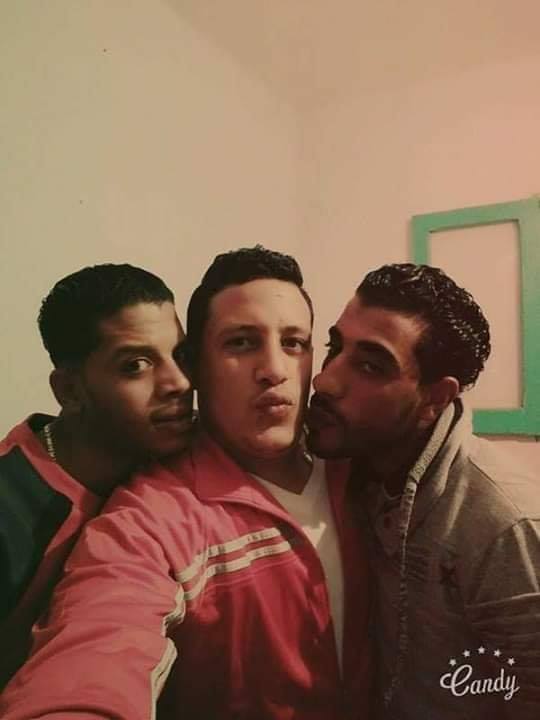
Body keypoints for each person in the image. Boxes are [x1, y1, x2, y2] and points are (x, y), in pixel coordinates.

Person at [0, 246, 372, 720]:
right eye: (241, 342)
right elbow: (99, 649)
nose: (177, 383)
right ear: (70, 391)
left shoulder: (355, 464)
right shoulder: (141, 517)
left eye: (294, 342)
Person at [306, 262, 540, 719]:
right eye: (334, 347)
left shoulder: (504, 524)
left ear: (434, 399)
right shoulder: (348, 467)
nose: (324, 380)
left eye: (370, 366)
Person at [0, 263, 193, 688]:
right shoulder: (10, 509)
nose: (179, 383)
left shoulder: (178, 458)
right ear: (70, 391)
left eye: (180, 355)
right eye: (136, 365)